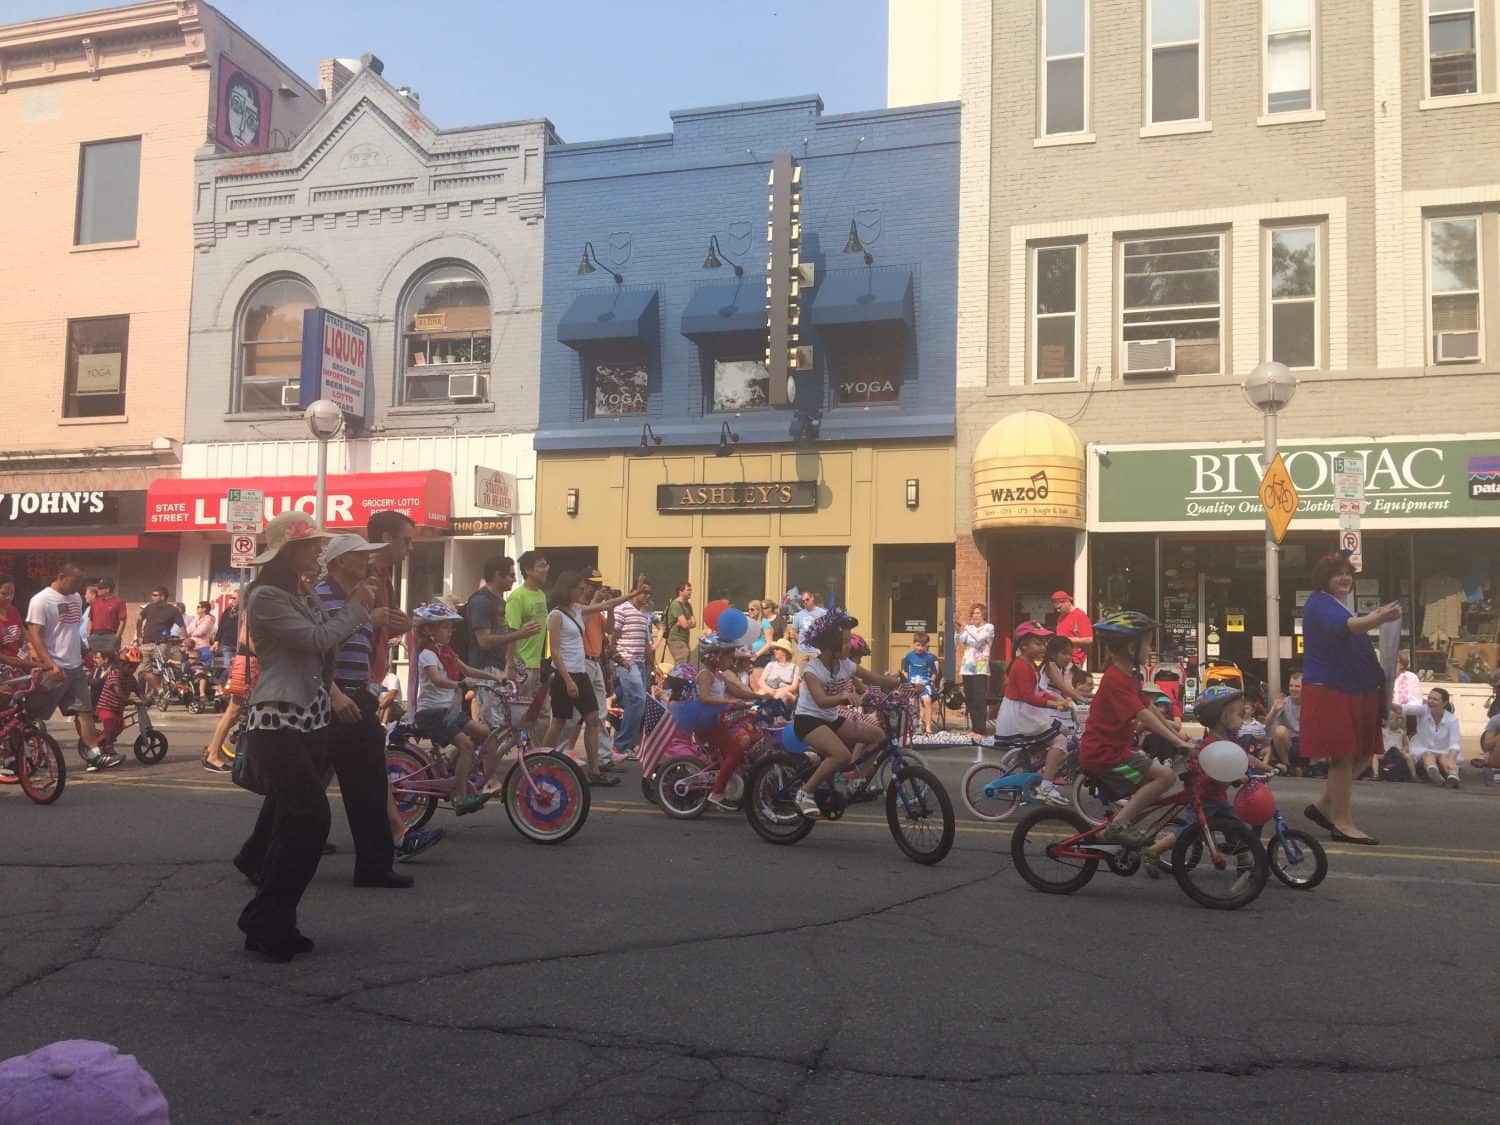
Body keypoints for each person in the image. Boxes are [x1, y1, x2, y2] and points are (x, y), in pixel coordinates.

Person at [233, 511, 375, 962]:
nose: (318, 551)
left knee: (293, 823)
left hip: (309, 717)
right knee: (310, 818)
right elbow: (318, 639)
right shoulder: (265, 596)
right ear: (287, 551)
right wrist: (357, 608)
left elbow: (325, 642)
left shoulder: (301, 590)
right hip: (277, 719)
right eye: (310, 545)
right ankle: (266, 918)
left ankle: (273, 919)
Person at [315, 533, 435, 884]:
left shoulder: (360, 597)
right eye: (359, 555)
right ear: (340, 562)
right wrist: (335, 693)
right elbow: (318, 649)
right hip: (334, 697)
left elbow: (356, 643)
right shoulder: (322, 597)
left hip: (355, 695)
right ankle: (374, 865)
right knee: (351, 783)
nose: (367, 561)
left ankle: (374, 864)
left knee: (359, 781)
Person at [1300, 550, 1401, 846]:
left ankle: (1322, 808)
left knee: (1363, 752)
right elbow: (1349, 628)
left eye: (1348, 573)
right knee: (1342, 757)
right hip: (1331, 688)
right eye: (1338, 574)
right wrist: (1379, 617)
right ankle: (1342, 822)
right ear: (1324, 579)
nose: (1344, 578)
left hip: (1354, 687)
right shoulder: (1319, 602)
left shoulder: (1339, 605)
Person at [1077, 611, 1194, 845]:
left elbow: (1147, 706)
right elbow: (1142, 715)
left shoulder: (1129, 676)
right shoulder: (1115, 680)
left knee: (1154, 786)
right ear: (1132, 648)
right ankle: (1119, 826)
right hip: (1105, 756)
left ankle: (1125, 825)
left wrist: (1174, 730)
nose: (1150, 650)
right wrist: (1177, 742)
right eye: (1148, 644)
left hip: (1116, 751)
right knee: (1165, 777)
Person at [790, 608, 901, 819]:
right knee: (841, 755)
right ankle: (805, 793)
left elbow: (879, 681)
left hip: (831, 719)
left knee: (878, 736)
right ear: (831, 647)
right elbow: (821, 701)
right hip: (808, 720)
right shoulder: (812, 670)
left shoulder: (845, 665)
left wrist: (907, 685)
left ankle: (855, 780)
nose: (849, 646)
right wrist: (843, 698)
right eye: (845, 642)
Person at [1143, 685, 1257, 882]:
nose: (1243, 720)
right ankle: (1152, 851)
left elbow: (1245, 758)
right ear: (1223, 717)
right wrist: (1237, 776)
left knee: (1235, 826)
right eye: (1239, 715)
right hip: (1203, 798)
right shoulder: (1212, 744)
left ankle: (1245, 861)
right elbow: (1215, 773)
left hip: (1218, 798)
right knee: (1189, 832)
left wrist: (1266, 767)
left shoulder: (1229, 740)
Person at [541, 572, 642, 785]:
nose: (582, 591)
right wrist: (568, 680)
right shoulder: (556, 615)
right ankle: (542, 761)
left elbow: (608, 604)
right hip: (564, 675)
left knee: (594, 719)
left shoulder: (577, 610)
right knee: (559, 720)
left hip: (581, 673)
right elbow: (556, 652)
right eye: (579, 588)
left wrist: (633, 594)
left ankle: (595, 771)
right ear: (567, 590)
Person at [411, 602, 507, 814]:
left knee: (488, 735)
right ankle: (460, 796)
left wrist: (495, 677)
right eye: (445, 627)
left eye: (450, 627)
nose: (450, 631)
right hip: (433, 714)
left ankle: (489, 780)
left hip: (450, 712)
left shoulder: (446, 652)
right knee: (465, 746)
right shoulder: (427, 654)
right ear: (429, 630)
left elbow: (467, 669)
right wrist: (460, 684)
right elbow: (436, 679)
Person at [27, 562, 120, 771]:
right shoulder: (41, 600)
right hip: (53, 668)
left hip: (75, 667)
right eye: (75, 582)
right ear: (61, 577)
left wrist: (84, 652)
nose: (78, 587)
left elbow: (71, 630)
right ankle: (26, 754)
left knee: (83, 710)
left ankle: (95, 754)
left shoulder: (76, 599)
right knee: (33, 715)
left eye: (81, 583)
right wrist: (49, 664)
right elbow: (34, 633)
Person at [995, 622, 1072, 805]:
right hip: (1021, 715)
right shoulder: (1021, 666)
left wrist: (1059, 700)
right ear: (1023, 645)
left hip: (1028, 713)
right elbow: (1029, 696)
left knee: (1066, 733)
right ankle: (1045, 786)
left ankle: (1042, 771)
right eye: (1038, 643)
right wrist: (1054, 704)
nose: (1043, 647)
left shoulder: (1030, 664)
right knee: (1060, 740)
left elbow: (1038, 691)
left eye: (1044, 643)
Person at [697, 634, 769, 810]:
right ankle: (717, 792)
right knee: (738, 745)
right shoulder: (706, 674)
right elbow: (704, 698)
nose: (731, 659)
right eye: (728, 655)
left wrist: (759, 696)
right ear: (715, 656)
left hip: (720, 719)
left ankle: (737, 776)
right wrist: (729, 703)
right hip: (709, 723)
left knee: (754, 731)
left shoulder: (719, 675)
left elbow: (737, 691)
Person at [464, 555, 541, 703]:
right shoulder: (481, 601)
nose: (515, 580)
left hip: (498, 669)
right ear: (498, 575)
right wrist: (519, 634)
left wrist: (510, 663)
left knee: (504, 719)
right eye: (511, 575)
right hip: (485, 669)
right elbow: (484, 641)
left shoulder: (500, 601)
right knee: (494, 721)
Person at [611, 577, 654, 758]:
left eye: (649, 593)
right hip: (626, 661)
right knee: (637, 700)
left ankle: (629, 744)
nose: (646, 596)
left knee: (635, 702)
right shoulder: (622, 609)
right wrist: (617, 659)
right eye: (644, 591)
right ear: (634, 590)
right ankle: (621, 745)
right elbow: (612, 636)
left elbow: (645, 642)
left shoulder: (643, 615)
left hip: (640, 663)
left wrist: (653, 664)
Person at [505, 550, 551, 723]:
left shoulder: (541, 594)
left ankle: (537, 750)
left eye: (546, 565)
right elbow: (511, 632)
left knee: (542, 715)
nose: (546, 569)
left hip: (539, 665)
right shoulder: (517, 597)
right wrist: (511, 665)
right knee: (522, 717)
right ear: (528, 570)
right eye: (541, 566)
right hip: (522, 667)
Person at [1403, 686, 1463, 788]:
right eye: (1429, 698)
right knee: (1428, 755)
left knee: (1445, 759)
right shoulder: (1422, 711)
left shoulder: (1452, 720)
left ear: (1444, 703)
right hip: (1423, 749)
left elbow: (1454, 743)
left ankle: (1453, 777)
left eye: (1435, 699)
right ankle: (1434, 773)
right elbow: (1403, 708)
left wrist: (1451, 759)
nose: (1430, 701)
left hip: (1444, 751)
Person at [136, 588, 185, 699]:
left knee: (159, 670)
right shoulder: (149, 607)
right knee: (142, 670)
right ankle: (159, 690)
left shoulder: (172, 610)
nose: (152, 597)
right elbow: (139, 620)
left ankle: (158, 693)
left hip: (161, 644)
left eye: (155, 595)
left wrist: (184, 640)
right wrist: (139, 636)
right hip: (146, 643)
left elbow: (182, 625)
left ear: (162, 597)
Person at [956, 603, 994, 740]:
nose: (975, 616)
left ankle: (981, 729)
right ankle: (974, 728)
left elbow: (979, 639)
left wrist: (965, 626)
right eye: (973, 613)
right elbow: (959, 642)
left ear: (983, 614)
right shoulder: (969, 628)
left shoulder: (989, 628)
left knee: (979, 699)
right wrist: (958, 630)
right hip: (967, 667)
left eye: (978, 613)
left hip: (980, 668)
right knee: (970, 700)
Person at [900, 632, 940, 734]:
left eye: (922, 646)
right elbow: (905, 671)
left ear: (927, 645)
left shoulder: (929, 657)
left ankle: (928, 727)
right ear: (914, 644)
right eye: (918, 645)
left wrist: (932, 681)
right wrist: (905, 682)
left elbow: (934, 673)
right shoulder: (909, 656)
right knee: (910, 702)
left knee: (927, 701)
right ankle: (911, 726)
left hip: (924, 683)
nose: (920, 648)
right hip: (912, 683)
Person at [1267, 672, 1304, 774]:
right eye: (1291, 685)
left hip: (1306, 741)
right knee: (1280, 731)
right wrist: (1274, 710)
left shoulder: (1312, 703)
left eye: (1297, 686)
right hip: (1288, 742)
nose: (1293, 688)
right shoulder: (1284, 701)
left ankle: (1312, 766)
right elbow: (1266, 724)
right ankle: (1287, 765)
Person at [754, 637, 801, 708]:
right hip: (769, 689)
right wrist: (769, 690)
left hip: (785, 691)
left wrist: (779, 690)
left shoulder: (794, 667)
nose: (774, 651)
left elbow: (794, 686)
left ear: (784, 652)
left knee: (780, 695)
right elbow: (761, 681)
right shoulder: (771, 664)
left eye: (777, 649)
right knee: (760, 694)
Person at [1051, 591, 1093, 670]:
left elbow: (1089, 639)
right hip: (1060, 658)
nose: (1058, 611)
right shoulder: (1061, 617)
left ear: (1067, 602)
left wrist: (1067, 640)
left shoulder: (1080, 615)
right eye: (1056, 608)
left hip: (1073, 659)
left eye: (1059, 607)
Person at [87, 578, 128, 651]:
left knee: (110, 660)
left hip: (110, 636)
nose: (98, 590)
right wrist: (88, 635)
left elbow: (122, 621)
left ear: (107, 589)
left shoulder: (118, 602)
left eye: (100, 588)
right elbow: (90, 619)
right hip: (95, 636)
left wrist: (117, 637)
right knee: (94, 660)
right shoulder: (95, 602)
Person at [790, 590, 825, 663]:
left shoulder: (823, 613)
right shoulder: (799, 615)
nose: (805, 602)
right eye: (803, 601)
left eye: (807, 599)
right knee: (800, 673)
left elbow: (828, 630)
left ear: (812, 598)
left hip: (817, 651)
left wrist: (823, 648)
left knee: (815, 673)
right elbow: (793, 631)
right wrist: (801, 641)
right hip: (802, 651)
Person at [665, 581, 695, 664]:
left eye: (691, 590)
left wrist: (685, 622)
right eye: (688, 590)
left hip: (685, 640)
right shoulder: (676, 605)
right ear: (680, 591)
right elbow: (685, 625)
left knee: (685, 665)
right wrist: (688, 622)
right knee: (682, 665)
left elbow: (694, 623)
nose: (690, 592)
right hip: (676, 640)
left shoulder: (688, 605)